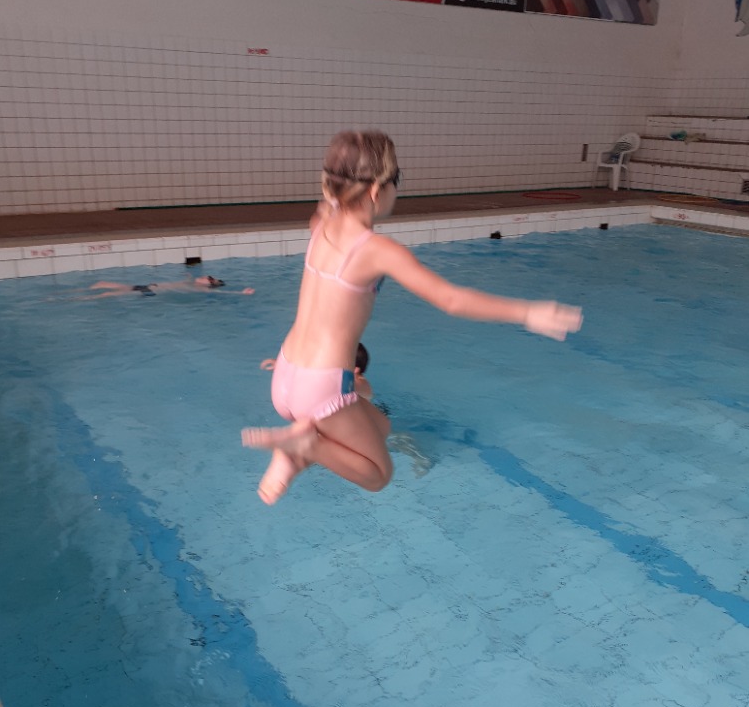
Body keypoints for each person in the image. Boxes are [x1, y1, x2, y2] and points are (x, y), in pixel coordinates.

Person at [242, 130, 582, 505]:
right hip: (322, 387)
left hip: (286, 371)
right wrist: (528, 312)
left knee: (381, 424)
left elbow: (328, 208)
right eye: (397, 179)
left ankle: (295, 454)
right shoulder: (376, 249)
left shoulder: (322, 224)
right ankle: (305, 447)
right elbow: (451, 299)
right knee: (378, 474)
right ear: (376, 190)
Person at [85, 275, 255, 297]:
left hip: (149, 291)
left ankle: (81, 298)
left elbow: (221, 293)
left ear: (209, 284)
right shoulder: (191, 281)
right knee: (104, 285)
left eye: (209, 278)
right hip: (150, 286)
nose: (205, 276)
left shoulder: (200, 288)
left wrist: (240, 293)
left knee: (107, 293)